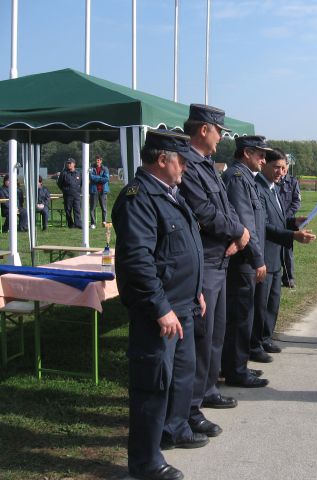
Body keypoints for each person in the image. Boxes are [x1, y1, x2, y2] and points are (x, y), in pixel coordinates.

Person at [112, 129, 208, 480]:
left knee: (180, 377)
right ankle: (145, 463)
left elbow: (182, 249)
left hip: (182, 305)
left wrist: (196, 289)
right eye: (182, 159)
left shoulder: (170, 193)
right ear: (162, 159)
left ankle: (174, 429)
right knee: (151, 387)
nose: (186, 166)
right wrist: (160, 307)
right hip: (160, 312)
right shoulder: (139, 198)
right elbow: (137, 261)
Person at [178, 104, 251, 433]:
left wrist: (240, 232)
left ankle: (207, 390)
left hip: (220, 258)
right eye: (219, 130)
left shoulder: (206, 164)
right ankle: (191, 406)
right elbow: (203, 211)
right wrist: (237, 231)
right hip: (205, 261)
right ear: (204, 129)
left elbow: (227, 207)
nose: (222, 137)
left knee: (216, 333)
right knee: (201, 336)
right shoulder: (188, 164)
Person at [252, 148, 316, 362]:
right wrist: (293, 236)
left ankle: (266, 337)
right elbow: (264, 226)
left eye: (284, 168)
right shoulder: (258, 188)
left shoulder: (273, 189)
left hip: (276, 255)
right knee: (260, 304)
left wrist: (294, 222)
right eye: (277, 167)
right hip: (264, 253)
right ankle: (255, 344)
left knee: (273, 301)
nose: (281, 172)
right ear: (264, 165)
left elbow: (278, 220)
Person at [220, 135, 270, 387]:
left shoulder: (246, 178)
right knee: (240, 316)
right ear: (246, 153)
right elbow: (245, 224)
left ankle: (236, 364)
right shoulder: (237, 179)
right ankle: (236, 370)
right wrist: (257, 258)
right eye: (260, 154)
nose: (264, 159)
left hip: (246, 258)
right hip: (242, 261)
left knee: (243, 314)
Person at [278, 158, 301, 288]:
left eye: (285, 166)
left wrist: (285, 216)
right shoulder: (273, 181)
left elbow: (296, 202)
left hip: (287, 221)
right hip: (274, 221)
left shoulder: (292, 182)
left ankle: (289, 278)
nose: (282, 169)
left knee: (287, 251)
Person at [57, 158, 82, 228]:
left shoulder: (78, 173)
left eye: (70, 163)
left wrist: (78, 190)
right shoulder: (64, 173)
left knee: (77, 209)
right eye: (68, 163)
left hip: (76, 195)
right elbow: (59, 184)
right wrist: (65, 190)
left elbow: (81, 182)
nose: (69, 164)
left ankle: (78, 224)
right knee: (68, 210)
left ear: (74, 164)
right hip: (67, 195)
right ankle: (71, 224)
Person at [89, 155, 110, 229]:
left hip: (103, 191)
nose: (97, 161)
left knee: (104, 208)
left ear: (101, 161)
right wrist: (101, 178)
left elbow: (106, 179)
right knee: (92, 208)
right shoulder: (91, 168)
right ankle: (93, 223)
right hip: (94, 190)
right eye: (96, 160)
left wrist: (96, 178)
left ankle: (104, 222)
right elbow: (91, 177)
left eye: (98, 160)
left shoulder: (105, 169)